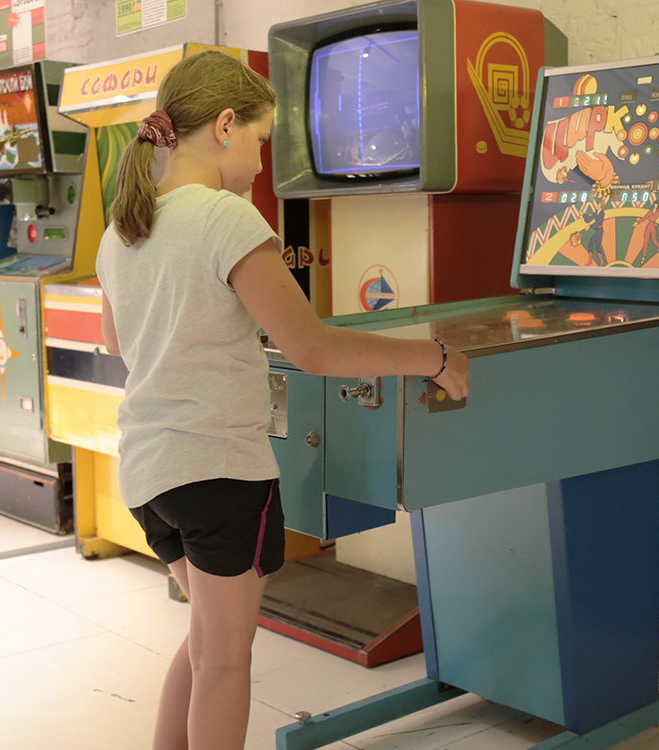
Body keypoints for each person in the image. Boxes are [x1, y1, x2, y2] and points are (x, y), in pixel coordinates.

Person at [96, 50, 471, 750]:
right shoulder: (226, 218)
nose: (262, 162)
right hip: (219, 473)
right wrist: (435, 358)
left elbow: (118, 341)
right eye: (262, 140)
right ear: (226, 125)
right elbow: (313, 349)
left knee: (204, 641)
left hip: (149, 474)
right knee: (224, 659)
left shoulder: (121, 230)